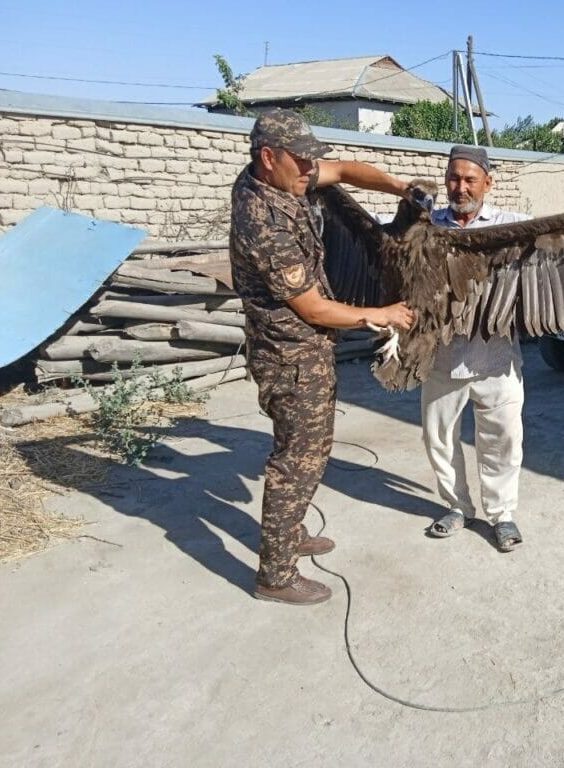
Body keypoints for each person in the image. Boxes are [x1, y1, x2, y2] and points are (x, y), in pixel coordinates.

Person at [230, 109, 415, 605]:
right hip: (289, 355)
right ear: (268, 158)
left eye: (314, 159)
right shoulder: (262, 222)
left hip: (306, 352)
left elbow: (349, 169)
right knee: (297, 460)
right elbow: (311, 306)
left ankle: (287, 536)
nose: (312, 168)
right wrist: (380, 314)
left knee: (310, 451)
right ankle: (276, 575)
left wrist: (400, 189)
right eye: (302, 159)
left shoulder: (287, 179)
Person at [423, 145, 564, 552]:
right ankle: (458, 507)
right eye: (454, 178)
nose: (460, 187)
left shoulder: (513, 226)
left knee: (503, 440)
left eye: (470, 180)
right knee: (438, 438)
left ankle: (501, 515)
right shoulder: (425, 226)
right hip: (440, 355)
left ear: (488, 183)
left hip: (496, 357)